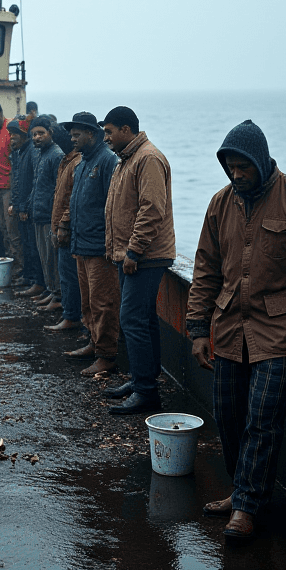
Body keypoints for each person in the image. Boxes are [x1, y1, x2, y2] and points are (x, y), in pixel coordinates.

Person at [187, 119, 286, 544]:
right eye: (230, 168)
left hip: (279, 333)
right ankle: (241, 491)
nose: (236, 175)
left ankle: (247, 507)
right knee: (228, 414)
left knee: (263, 420)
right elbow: (204, 270)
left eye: (244, 168)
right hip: (229, 329)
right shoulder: (220, 204)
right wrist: (198, 328)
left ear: (261, 161)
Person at [102, 106, 175, 415]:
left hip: (145, 256)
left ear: (126, 130)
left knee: (132, 319)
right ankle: (142, 380)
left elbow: (151, 209)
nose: (106, 137)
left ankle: (146, 391)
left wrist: (133, 251)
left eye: (109, 132)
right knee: (142, 319)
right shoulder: (127, 159)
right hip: (131, 254)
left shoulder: (148, 159)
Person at [61, 112, 120, 373]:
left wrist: (110, 243)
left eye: (76, 135)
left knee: (103, 303)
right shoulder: (83, 163)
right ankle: (93, 343)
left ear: (92, 134)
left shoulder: (107, 161)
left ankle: (107, 355)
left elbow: (113, 206)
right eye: (71, 135)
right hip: (81, 245)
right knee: (88, 302)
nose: (72, 139)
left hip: (98, 247)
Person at [46, 123, 81, 332]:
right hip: (59, 226)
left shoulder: (76, 162)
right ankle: (71, 314)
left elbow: (72, 198)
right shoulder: (65, 160)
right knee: (65, 275)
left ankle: (72, 316)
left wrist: (63, 224)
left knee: (70, 277)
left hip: (68, 230)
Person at [29, 116, 64, 310]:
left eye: (41, 133)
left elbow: (59, 189)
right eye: (34, 134)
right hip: (39, 213)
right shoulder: (41, 154)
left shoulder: (56, 155)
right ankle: (52, 292)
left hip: (50, 215)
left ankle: (58, 297)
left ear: (50, 133)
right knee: (45, 258)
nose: (37, 137)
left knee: (52, 258)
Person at [8, 119, 46, 295]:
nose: (11, 138)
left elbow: (34, 182)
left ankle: (36, 281)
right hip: (21, 207)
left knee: (33, 247)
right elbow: (16, 181)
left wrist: (24, 207)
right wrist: (15, 204)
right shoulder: (18, 153)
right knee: (25, 243)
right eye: (10, 135)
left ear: (24, 136)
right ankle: (28, 276)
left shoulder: (32, 152)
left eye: (14, 134)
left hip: (30, 209)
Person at [0, 100, 23, 275]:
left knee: (12, 230)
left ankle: (20, 267)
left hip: (8, 188)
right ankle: (10, 264)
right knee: (3, 229)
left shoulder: (9, 129)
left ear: (1, 113)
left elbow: (16, 160)